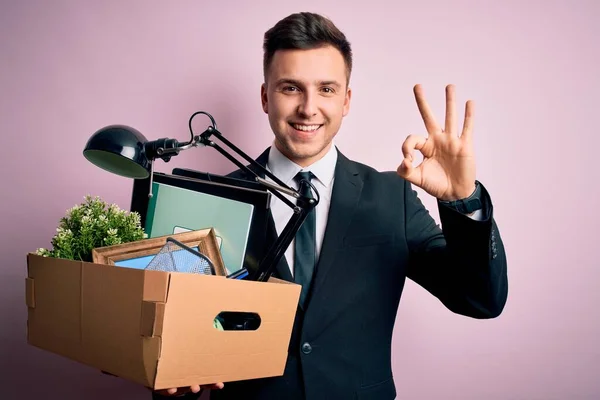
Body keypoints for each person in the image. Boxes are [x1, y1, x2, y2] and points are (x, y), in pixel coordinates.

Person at [152, 11, 508, 400]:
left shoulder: (393, 197)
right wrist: (172, 382)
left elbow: (479, 299)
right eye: (290, 88)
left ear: (346, 100)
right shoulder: (212, 200)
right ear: (265, 97)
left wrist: (462, 198)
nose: (309, 108)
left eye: (326, 89)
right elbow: (175, 340)